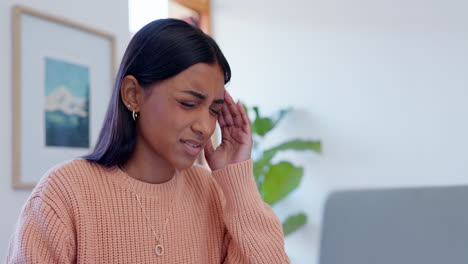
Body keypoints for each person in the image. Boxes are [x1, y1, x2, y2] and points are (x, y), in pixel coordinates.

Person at [7, 19, 290, 263]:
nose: (204, 127)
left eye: (214, 110)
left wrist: (237, 181)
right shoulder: (64, 194)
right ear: (133, 94)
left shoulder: (212, 193)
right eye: (188, 103)